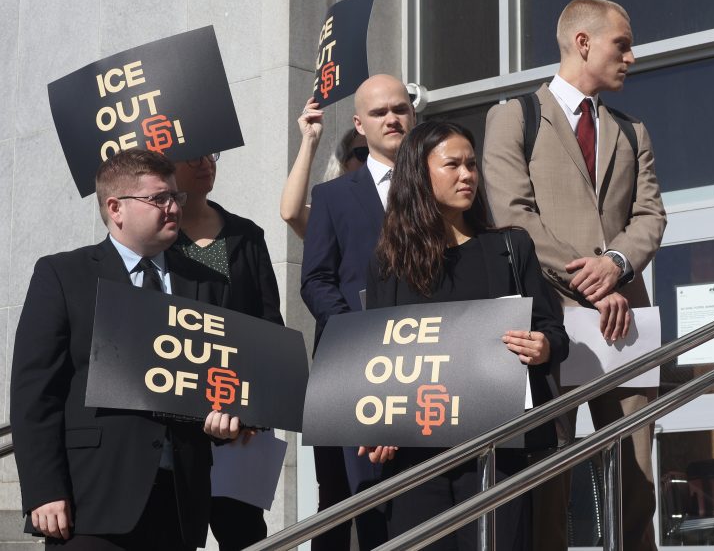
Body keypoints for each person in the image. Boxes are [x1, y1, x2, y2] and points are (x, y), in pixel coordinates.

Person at [482, 0, 666, 550]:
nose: (631, 56)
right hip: (549, 322)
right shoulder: (514, 115)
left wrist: (615, 265)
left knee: (636, 478)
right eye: (622, 44)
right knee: (550, 476)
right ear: (583, 43)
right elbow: (512, 215)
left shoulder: (633, 131)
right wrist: (584, 279)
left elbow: (650, 214)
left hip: (622, 322)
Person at [10, 150, 243, 550]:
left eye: (176, 197)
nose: (173, 207)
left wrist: (227, 416)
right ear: (116, 208)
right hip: (92, 503)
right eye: (159, 199)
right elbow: (35, 395)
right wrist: (43, 489)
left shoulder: (207, 283)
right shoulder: (64, 275)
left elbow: (221, 376)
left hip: (180, 504)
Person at [364, 119, 569, 550]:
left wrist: (543, 346)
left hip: (498, 449)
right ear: (420, 175)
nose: (467, 175)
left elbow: (554, 331)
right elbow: (379, 356)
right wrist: (378, 423)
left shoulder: (510, 247)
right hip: (417, 456)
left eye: (472, 164)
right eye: (453, 164)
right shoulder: (390, 263)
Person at [300, 74, 416, 550]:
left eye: (400, 109)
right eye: (379, 112)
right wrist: (359, 334)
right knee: (363, 503)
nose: (392, 118)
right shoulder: (334, 197)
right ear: (359, 125)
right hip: (356, 368)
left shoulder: (442, 186)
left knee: (424, 504)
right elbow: (316, 281)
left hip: (429, 365)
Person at [173, 152, 284, 550]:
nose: (205, 163)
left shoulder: (246, 235)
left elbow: (270, 323)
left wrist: (255, 406)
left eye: (211, 154)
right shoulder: (158, 240)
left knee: (244, 533)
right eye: (191, 156)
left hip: (241, 422)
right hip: (179, 418)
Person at [280, 97, 369, 238]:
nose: (372, 161)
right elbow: (292, 213)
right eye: (364, 154)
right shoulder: (334, 207)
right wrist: (310, 139)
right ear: (344, 161)